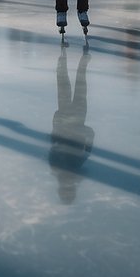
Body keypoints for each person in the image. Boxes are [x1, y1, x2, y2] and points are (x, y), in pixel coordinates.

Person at [49, 49, 93, 205]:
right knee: (66, 86)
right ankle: (65, 60)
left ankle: (76, 61)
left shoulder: (71, 169)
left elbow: (54, 142)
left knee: (75, 87)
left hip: (72, 118)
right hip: (69, 118)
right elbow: (53, 141)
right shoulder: (74, 169)